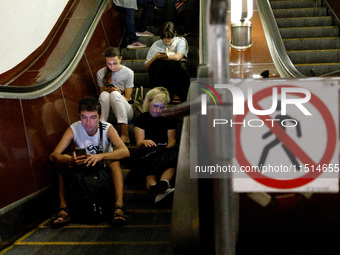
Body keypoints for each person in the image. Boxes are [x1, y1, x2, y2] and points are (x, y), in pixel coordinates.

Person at [49, 97, 130, 226]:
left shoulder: (107, 128)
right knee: (61, 165)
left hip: (102, 168)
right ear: (79, 116)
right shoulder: (74, 128)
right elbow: (53, 155)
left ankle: (119, 207)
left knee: (114, 162)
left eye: (92, 117)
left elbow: (125, 151)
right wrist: (70, 159)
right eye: (84, 117)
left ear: (99, 116)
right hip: (83, 168)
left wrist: (101, 156)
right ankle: (63, 208)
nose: (87, 122)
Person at [134, 87, 178, 202]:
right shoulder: (141, 119)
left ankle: (162, 184)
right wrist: (145, 142)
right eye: (155, 106)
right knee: (149, 171)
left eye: (161, 107)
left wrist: (166, 146)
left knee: (171, 160)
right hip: (147, 153)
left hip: (164, 151)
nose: (158, 110)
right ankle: (160, 190)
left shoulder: (169, 118)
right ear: (148, 103)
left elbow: (172, 141)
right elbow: (139, 144)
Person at [145, 21, 190, 103]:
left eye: (169, 37)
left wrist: (167, 57)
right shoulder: (156, 44)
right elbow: (146, 67)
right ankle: (157, 95)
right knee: (157, 63)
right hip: (161, 75)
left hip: (177, 73)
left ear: (175, 34)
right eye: (164, 37)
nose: (166, 40)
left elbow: (178, 56)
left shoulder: (180, 41)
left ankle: (176, 94)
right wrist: (155, 57)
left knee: (171, 64)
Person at [97, 47, 134, 144]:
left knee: (114, 94)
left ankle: (125, 134)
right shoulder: (101, 73)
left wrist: (119, 92)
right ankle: (101, 133)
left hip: (126, 111)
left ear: (120, 59)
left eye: (115, 63)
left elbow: (127, 98)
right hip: (108, 111)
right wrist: (107, 90)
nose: (112, 67)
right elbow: (101, 96)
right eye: (109, 64)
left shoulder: (128, 73)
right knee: (104, 95)